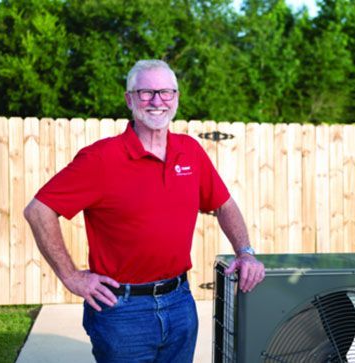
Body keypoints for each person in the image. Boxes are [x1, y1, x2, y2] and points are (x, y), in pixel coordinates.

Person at [23, 59, 265, 362]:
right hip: (122, 311)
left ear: (176, 98)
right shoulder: (101, 159)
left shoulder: (190, 151)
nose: (157, 101)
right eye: (146, 93)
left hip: (180, 304)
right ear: (129, 99)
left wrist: (245, 251)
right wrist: (71, 276)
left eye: (166, 92)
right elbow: (38, 210)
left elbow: (224, 204)